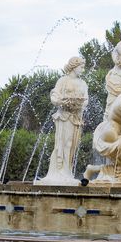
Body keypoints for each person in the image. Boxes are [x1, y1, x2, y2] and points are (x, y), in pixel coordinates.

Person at [36, 56, 88, 185]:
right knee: (64, 143)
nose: (83, 69)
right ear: (74, 66)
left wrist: (80, 104)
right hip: (64, 115)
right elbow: (54, 96)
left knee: (72, 146)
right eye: (81, 67)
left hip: (76, 117)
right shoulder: (63, 80)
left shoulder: (83, 83)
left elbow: (86, 99)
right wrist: (61, 101)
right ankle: (59, 172)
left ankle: (67, 171)